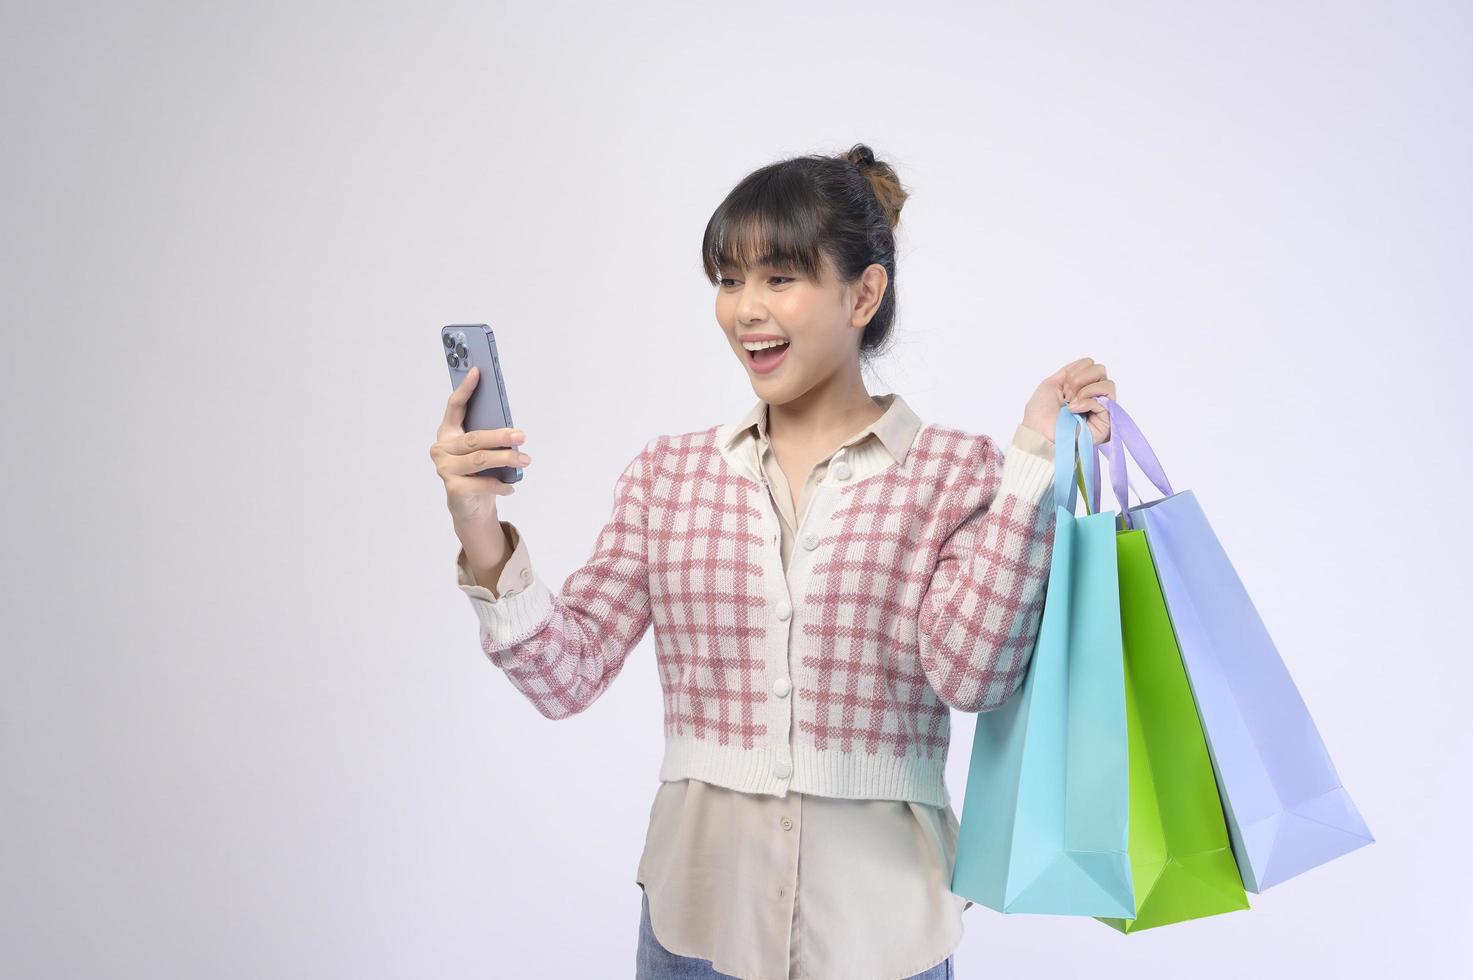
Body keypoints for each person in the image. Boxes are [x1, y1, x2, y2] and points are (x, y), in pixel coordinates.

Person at [430, 143, 1115, 980]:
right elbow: (562, 677)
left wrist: (1032, 464)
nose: (745, 309)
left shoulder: (957, 474)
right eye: (727, 280)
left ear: (863, 292)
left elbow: (973, 677)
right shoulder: (668, 474)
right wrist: (477, 519)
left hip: (884, 931)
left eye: (778, 278)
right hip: (697, 923)